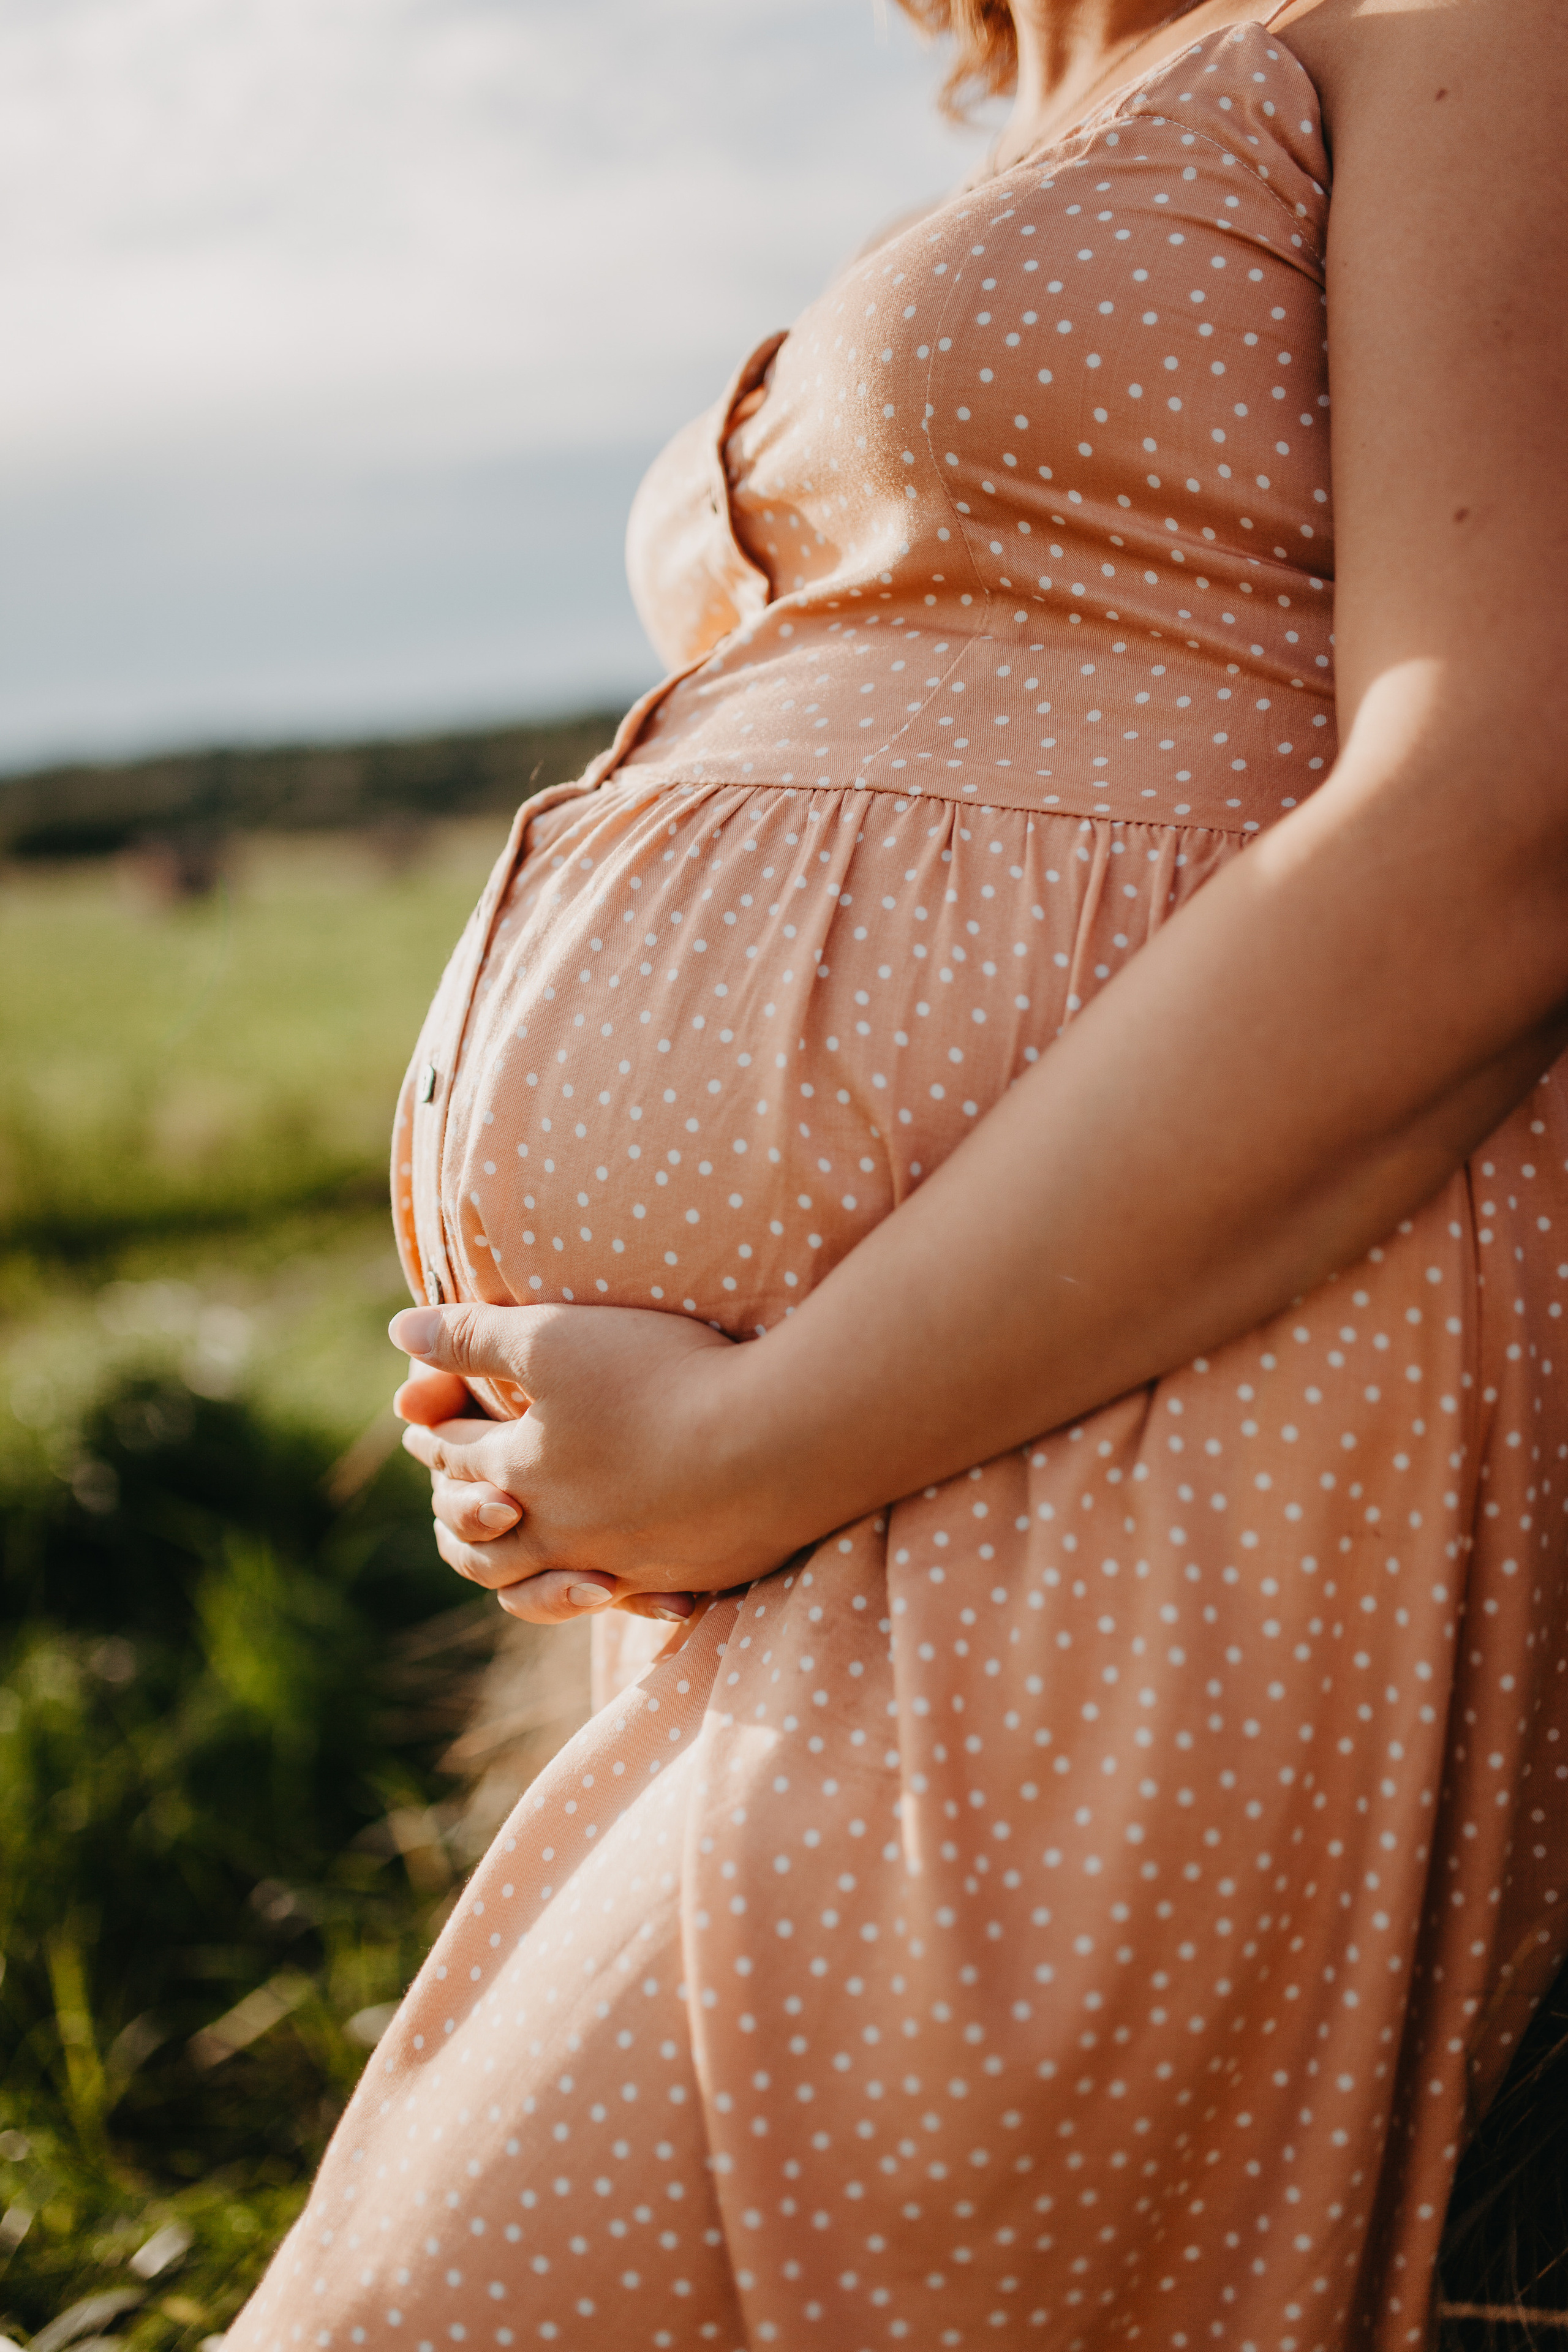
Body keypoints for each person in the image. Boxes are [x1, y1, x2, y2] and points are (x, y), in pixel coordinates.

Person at [228, 0, 1568, 2342]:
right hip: (883, 1477)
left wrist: (754, 1438)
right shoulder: (1043, 121)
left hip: (1209, 1382)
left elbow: (1506, 815)